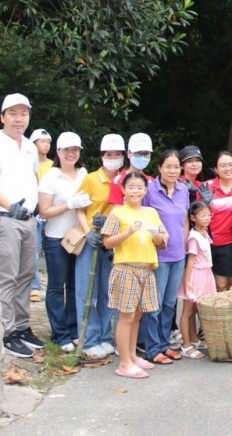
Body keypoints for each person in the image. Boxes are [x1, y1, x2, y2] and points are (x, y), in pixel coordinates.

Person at [0, 93, 44, 359]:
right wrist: (10, 205)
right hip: (3, 219)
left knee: (26, 275)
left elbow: (33, 177)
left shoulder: (29, 146)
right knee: (8, 277)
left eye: (24, 114)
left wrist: (36, 204)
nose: (19, 119)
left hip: (28, 220)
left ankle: (22, 326)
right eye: (13, 114)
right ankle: (7, 333)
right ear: (2, 117)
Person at [102, 172, 167, 380]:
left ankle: (131, 356)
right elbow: (107, 242)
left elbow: (162, 239)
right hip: (126, 268)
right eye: (131, 187)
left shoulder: (151, 212)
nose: (136, 191)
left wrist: (158, 237)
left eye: (140, 187)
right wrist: (128, 232)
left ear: (145, 191)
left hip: (146, 269)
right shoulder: (117, 213)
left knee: (138, 314)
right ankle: (124, 363)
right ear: (123, 190)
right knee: (127, 315)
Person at [75, 133, 126, 359]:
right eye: (109, 154)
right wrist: (87, 233)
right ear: (102, 156)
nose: (113, 158)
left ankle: (105, 336)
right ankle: (89, 338)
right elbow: (79, 207)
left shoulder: (126, 179)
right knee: (88, 291)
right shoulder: (91, 179)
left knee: (109, 292)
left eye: (117, 154)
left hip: (114, 242)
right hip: (92, 239)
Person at [37, 131, 89, 351]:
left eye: (75, 149)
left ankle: (73, 329)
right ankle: (60, 334)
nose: (71, 153)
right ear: (58, 152)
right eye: (66, 149)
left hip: (78, 238)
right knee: (57, 287)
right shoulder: (51, 176)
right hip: (56, 239)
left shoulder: (84, 173)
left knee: (75, 285)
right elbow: (44, 211)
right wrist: (69, 204)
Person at [139, 149, 190, 365]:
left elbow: (185, 220)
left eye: (176, 167)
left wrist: (185, 244)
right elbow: (142, 220)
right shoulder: (150, 191)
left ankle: (164, 343)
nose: (172, 170)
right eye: (168, 166)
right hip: (158, 256)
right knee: (155, 304)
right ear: (159, 168)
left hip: (179, 255)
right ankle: (151, 347)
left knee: (170, 303)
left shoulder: (183, 189)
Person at [178, 201, 215, 359]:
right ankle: (186, 345)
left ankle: (194, 339)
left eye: (209, 215)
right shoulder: (193, 237)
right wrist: (187, 282)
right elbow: (191, 261)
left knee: (196, 309)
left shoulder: (205, 232)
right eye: (202, 215)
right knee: (188, 310)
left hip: (206, 274)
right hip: (196, 275)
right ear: (193, 218)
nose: (207, 218)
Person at [205, 151, 232, 292]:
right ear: (216, 169)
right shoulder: (207, 188)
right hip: (206, 242)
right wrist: (205, 203)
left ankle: (222, 313)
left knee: (223, 285)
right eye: (223, 165)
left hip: (227, 243)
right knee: (204, 285)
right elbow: (196, 215)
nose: (228, 168)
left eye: (231, 165)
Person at [29, 128, 53, 303]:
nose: (46, 144)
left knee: (54, 252)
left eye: (48, 142)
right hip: (35, 213)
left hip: (52, 214)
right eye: (42, 141)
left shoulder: (54, 165)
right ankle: (34, 287)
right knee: (34, 252)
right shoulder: (29, 164)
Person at [108, 133, 154, 205]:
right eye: (138, 153)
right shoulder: (117, 181)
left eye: (146, 153)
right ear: (129, 154)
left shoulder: (151, 181)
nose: (142, 157)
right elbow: (116, 211)